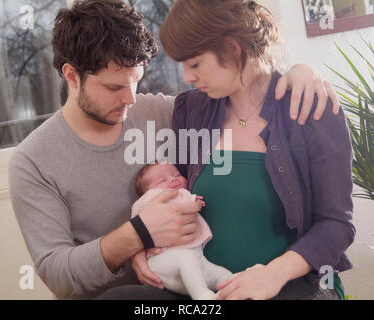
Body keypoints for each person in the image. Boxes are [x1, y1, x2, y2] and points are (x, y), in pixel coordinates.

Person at [8, 0, 342, 300]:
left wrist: (303, 70)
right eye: (114, 87)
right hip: (169, 289)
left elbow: (336, 223)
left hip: (274, 287)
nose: (130, 99)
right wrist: (138, 240)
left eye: (135, 82)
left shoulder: (161, 111)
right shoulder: (33, 162)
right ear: (71, 75)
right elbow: (57, 276)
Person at [132, 0, 355, 300]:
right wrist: (144, 244)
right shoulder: (191, 110)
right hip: (207, 289)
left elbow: (337, 225)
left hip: (292, 287)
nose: (186, 77)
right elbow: (177, 197)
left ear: (232, 48)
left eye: (195, 64)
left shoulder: (310, 107)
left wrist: (272, 275)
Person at [131, 161, 233, 300]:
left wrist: (191, 198)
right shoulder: (149, 200)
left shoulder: (183, 196)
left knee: (219, 273)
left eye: (176, 174)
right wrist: (187, 198)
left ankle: (232, 287)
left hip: (194, 260)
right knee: (186, 259)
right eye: (162, 180)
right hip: (161, 261)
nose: (173, 179)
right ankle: (202, 296)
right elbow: (138, 217)